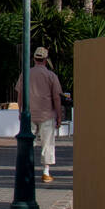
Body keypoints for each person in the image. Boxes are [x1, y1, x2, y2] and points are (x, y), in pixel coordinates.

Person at [16, 46, 63, 182]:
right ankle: (46, 171)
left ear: (34, 59)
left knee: (28, 143)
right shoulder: (51, 76)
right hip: (47, 114)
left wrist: (20, 111)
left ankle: (27, 170)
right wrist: (59, 115)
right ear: (46, 59)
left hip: (30, 113)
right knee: (47, 143)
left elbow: (20, 95)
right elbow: (56, 97)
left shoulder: (26, 74)